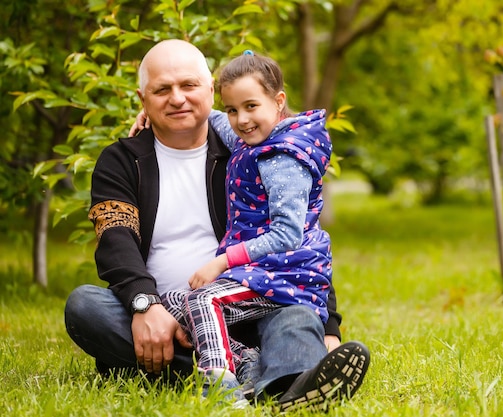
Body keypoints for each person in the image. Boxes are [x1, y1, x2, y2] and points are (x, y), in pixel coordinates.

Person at [64, 39, 369, 411]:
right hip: (167, 317)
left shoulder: (246, 148)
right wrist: (145, 305)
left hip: (253, 306)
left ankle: (283, 376)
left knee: (296, 316)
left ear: (210, 89)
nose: (177, 99)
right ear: (143, 99)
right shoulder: (123, 161)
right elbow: (115, 241)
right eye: (162, 90)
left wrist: (330, 327)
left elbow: (299, 238)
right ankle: (268, 377)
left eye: (188, 86)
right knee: (85, 306)